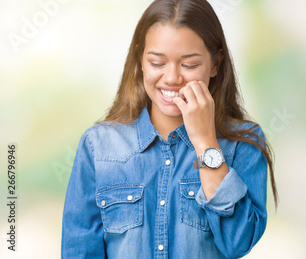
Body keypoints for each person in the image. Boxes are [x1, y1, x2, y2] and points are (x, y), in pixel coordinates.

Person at [61, 0, 278, 258]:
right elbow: (79, 252)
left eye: (189, 65)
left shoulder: (243, 144)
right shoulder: (99, 146)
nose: (173, 78)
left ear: (216, 64)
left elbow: (238, 242)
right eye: (157, 63)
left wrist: (206, 142)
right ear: (140, 61)